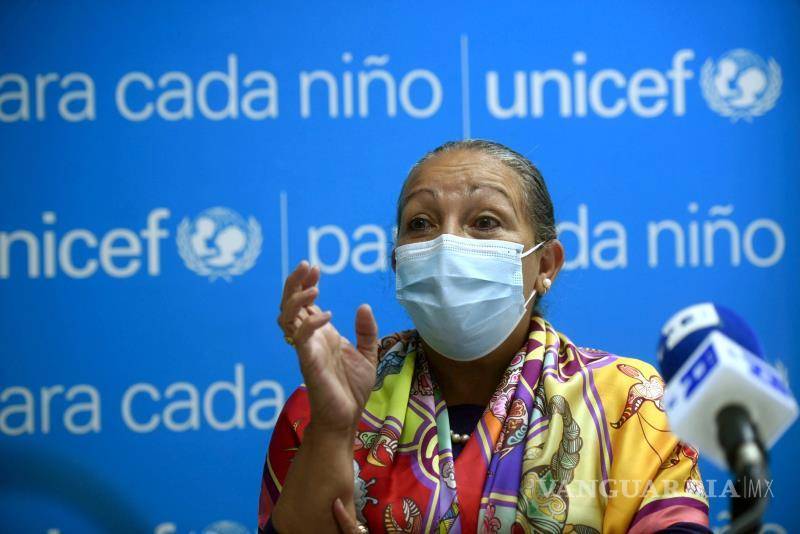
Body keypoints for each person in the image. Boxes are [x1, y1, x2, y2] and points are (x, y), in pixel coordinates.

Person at [258, 140, 711, 533]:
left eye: (486, 221)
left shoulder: (630, 404)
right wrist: (333, 429)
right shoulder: (320, 410)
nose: (446, 243)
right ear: (399, 263)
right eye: (421, 223)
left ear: (546, 264)